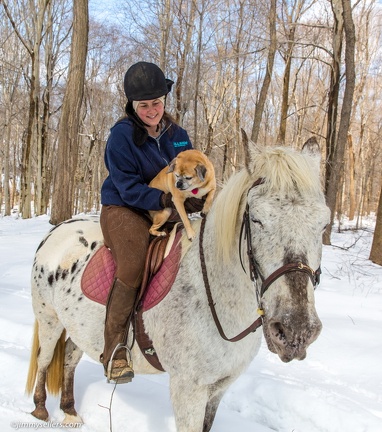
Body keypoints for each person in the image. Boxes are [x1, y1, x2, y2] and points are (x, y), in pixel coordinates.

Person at [100, 61, 204, 383]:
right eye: (143, 105)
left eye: (156, 103)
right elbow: (127, 186)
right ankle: (114, 347)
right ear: (132, 105)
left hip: (170, 208)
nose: (151, 111)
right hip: (125, 209)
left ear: (164, 100)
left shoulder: (178, 135)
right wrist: (161, 199)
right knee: (132, 263)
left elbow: (191, 170)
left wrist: (198, 194)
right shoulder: (121, 136)